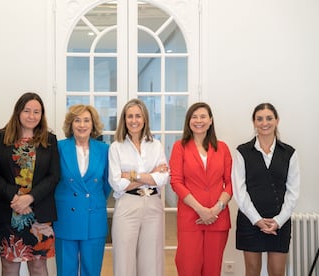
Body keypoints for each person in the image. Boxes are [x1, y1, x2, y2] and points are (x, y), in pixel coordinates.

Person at [0, 92, 60, 276]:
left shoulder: (50, 140)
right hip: (8, 210)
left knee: (38, 267)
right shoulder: (1, 137)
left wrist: (30, 198)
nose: (31, 116)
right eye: (27, 111)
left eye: (36, 112)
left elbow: (53, 176)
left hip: (39, 213)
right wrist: (15, 197)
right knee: (9, 267)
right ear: (18, 112)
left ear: (41, 115)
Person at [232, 103, 300, 276]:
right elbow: (239, 191)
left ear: (277, 121)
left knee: (277, 271)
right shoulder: (242, 152)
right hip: (250, 220)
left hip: (280, 221)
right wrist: (257, 220)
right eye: (259, 119)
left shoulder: (289, 153)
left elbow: (293, 192)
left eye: (269, 118)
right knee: (253, 270)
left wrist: (278, 220)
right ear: (254, 122)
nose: (264, 123)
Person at [169, 102, 232, 276]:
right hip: (191, 218)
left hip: (217, 218)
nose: (199, 120)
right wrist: (200, 210)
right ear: (188, 121)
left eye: (203, 116)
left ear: (211, 120)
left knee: (213, 269)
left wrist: (216, 209)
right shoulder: (179, 147)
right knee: (188, 268)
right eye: (194, 117)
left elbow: (230, 182)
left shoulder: (223, 148)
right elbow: (176, 182)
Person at [108, 98, 169, 276]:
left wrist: (132, 175)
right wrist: (151, 175)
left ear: (145, 119)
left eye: (138, 116)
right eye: (129, 116)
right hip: (127, 205)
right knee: (124, 259)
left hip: (152, 204)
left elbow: (164, 177)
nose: (134, 120)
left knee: (152, 260)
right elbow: (117, 183)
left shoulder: (156, 146)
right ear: (124, 120)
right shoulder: (116, 147)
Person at [54, 104, 111, 276]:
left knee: (92, 271)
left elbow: (107, 184)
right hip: (66, 217)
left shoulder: (104, 149)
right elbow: (53, 181)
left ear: (93, 124)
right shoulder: (59, 148)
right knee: (66, 271)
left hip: (94, 216)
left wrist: (93, 201)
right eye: (77, 120)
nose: (82, 125)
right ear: (70, 124)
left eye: (86, 120)